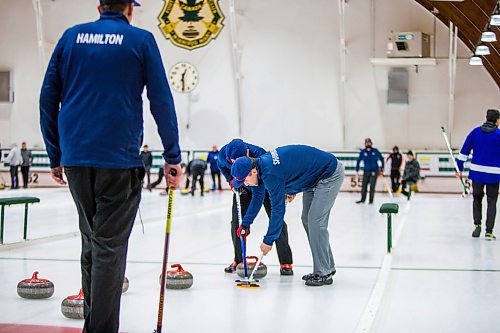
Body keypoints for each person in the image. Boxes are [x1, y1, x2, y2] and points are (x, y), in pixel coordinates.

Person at [39, 1, 182, 332]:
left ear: (99, 6)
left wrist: (55, 153)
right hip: (118, 161)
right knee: (108, 250)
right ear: (130, 9)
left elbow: (48, 97)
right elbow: (161, 99)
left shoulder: (70, 37)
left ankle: (94, 324)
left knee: (91, 242)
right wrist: (172, 156)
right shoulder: (140, 40)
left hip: (76, 159)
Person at [231, 145, 344, 286]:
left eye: (244, 180)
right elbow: (292, 168)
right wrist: (291, 189)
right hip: (314, 178)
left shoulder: (270, 173)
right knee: (307, 220)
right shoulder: (262, 164)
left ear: (252, 172)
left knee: (316, 222)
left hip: (328, 174)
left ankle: (324, 273)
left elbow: (278, 211)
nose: (246, 184)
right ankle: (327, 266)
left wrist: (268, 240)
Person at [218, 139, 294, 275]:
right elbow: (222, 167)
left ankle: (285, 262)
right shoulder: (223, 155)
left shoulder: (260, 155)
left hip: (264, 189)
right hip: (242, 188)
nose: (235, 164)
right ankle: (239, 260)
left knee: (276, 220)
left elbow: (258, 197)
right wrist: (230, 180)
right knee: (237, 223)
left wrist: (247, 223)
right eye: (233, 162)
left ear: (247, 153)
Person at [456, 109, 499, 240]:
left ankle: (477, 226)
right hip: (494, 175)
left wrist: (459, 168)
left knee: (477, 199)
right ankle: (489, 231)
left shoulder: (475, 132)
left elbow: (464, 152)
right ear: (497, 120)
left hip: (477, 173)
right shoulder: (499, 134)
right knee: (492, 201)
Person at [355, 138, 384, 204]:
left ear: (371, 143)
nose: (368, 144)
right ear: (365, 144)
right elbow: (358, 161)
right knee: (364, 186)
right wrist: (357, 170)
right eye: (366, 143)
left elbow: (382, 159)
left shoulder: (375, 151)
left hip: (374, 172)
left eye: (369, 143)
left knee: (372, 187)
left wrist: (382, 168)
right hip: (366, 171)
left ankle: (371, 200)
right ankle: (362, 199)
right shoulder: (363, 152)